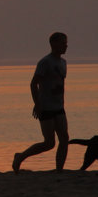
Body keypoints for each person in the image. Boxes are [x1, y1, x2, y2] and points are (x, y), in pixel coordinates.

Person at [12, 32, 69, 172]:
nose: (65, 46)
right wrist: (37, 104)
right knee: (49, 143)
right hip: (46, 107)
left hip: (59, 106)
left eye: (66, 42)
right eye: (62, 43)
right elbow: (33, 84)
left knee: (64, 138)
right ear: (53, 44)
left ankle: (59, 170)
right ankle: (20, 157)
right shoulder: (45, 62)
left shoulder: (63, 62)